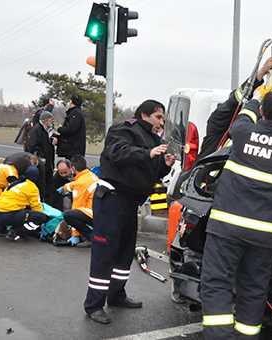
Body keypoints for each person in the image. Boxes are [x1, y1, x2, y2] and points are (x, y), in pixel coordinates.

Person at [200, 88, 272, 339]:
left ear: (261, 112)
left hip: (227, 227)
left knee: (217, 284)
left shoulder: (244, 132)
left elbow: (245, 113)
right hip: (264, 235)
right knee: (254, 290)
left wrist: (258, 95)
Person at [84, 99, 176, 324]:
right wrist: (149, 153)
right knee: (105, 253)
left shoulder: (153, 140)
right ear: (145, 115)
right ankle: (94, 305)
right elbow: (118, 153)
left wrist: (164, 163)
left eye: (163, 119)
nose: (161, 122)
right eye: (158, 117)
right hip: (111, 201)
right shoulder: (123, 130)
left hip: (129, 203)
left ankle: (116, 295)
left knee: (125, 252)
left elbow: (149, 172)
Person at [195, 56, 272, 163]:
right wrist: (260, 74)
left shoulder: (259, 140)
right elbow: (233, 103)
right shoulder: (219, 126)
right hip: (206, 178)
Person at [0, 166, 47, 242]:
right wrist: (41, 222)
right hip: (9, 214)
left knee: (15, 210)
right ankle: (15, 232)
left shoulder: (15, 184)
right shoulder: (32, 188)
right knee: (40, 217)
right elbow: (36, 206)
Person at [61, 155, 99, 248]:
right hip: (100, 212)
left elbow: (77, 207)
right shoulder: (91, 175)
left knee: (68, 215)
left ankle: (91, 237)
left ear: (73, 168)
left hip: (93, 214)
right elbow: (76, 184)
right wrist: (65, 187)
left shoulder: (80, 183)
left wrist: (75, 234)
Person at [26, 111, 58, 204]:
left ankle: (48, 203)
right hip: (41, 163)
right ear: (46, 120)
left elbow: (54, 137)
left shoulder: (49, 129)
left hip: (49, 161)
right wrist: (40, 157)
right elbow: (32, 145)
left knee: (49, 184)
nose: (52, 121)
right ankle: (40, 203)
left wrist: (56, 139)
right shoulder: (37, 130)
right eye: (51, 119)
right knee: (42, 184)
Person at [56, 94, 86, 160]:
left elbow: (71, 129)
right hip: (73, 148)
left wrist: (60, 129)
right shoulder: (76, 112)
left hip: (73, 148)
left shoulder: (76, 113)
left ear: (71, 102)